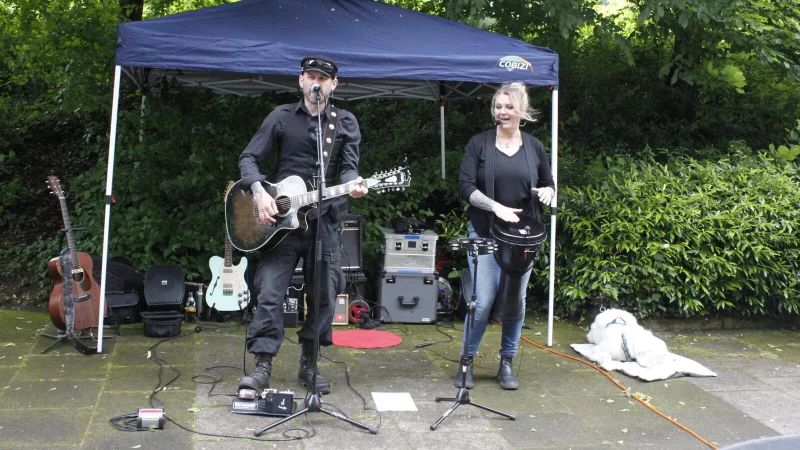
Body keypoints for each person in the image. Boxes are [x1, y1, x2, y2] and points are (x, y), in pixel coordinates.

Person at [237, 55, 368, 395]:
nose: (316, 82)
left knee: (324, 295)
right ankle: (262, 365)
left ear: (333, 85)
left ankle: (309, 363)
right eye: (311, 76)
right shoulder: (281, 117)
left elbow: (348, 168)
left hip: (323, 223)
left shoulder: (344, 122)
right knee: (269, 292)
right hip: (280, 226)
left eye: (322, 78)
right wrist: (259, 192)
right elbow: (249, 158)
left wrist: (353, 184)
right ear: (300, 80)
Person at [456, 82, 555, 390]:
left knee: (515, 301)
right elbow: (465, 186)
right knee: (483, 301)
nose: (503, 112)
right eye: (498, 106)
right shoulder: (479, 143)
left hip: (523, 238)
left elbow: (549, 182)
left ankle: (507, 362)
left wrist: (548, 192)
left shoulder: (534, 147)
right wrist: (495, 206)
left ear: (522, 110)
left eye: (509, 107)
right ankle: (466, 360)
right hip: (485, 231)